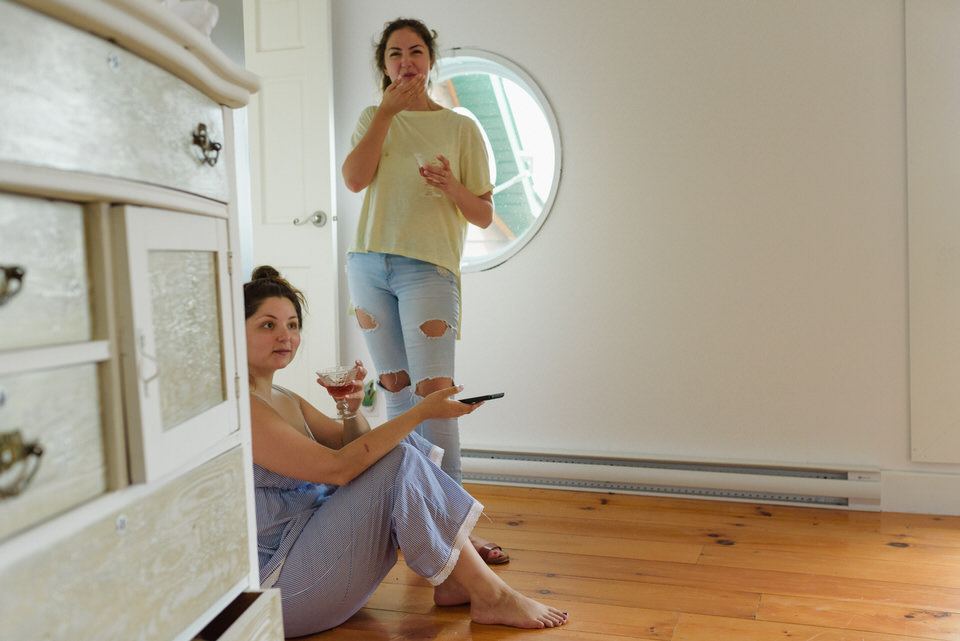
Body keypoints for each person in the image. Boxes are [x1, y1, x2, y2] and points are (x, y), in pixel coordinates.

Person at [244, 266, 567, 636]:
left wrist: (351, 409)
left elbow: (356, 446)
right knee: (397, 457)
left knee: (400, 446)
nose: (285, 336)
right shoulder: (244, 408)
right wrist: (419, 413)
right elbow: (339, 469)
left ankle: (452, 577)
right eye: (268, 325)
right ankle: (491, 595)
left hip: (314, 552)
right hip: (285, 587)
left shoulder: (284, 398)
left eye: (292, 325)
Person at [341, 17, 509, 565]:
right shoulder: (375, 116)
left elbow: (484, 213)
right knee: (398, 394)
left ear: (430, 60)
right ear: (384, 66)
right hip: (368, 265)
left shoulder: (461, 128)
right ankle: (418, 525)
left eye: (415, 51)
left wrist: (451, 185)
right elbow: (354, 179)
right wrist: (386, 115)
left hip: (427, 269)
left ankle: (458, 535)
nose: (406, 61)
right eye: (395, 54)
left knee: (437, 399)